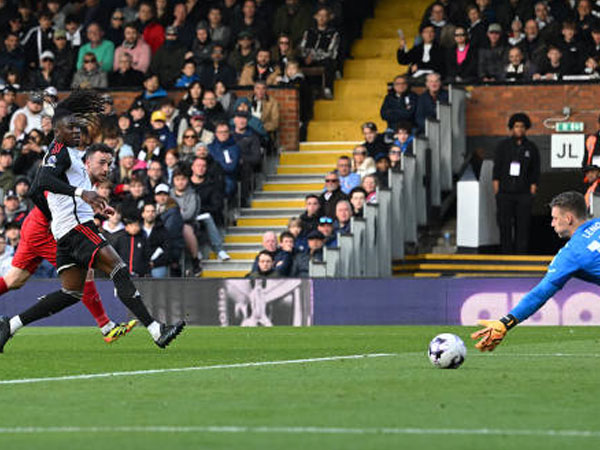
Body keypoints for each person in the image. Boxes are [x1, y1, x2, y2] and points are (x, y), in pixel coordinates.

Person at [0, 91, 185, 352]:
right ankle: (156, 330)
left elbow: (42, 191)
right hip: (74, 230)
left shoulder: (69, 155)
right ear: (57, 129)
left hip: (66, 232)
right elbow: (40, 183)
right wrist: (80, 195)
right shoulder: (61, 152)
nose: (77, 130)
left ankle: (10, 325)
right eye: (70, 126)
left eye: (78, 126)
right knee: (118, 268)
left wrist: (88, 206)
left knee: (71, 293)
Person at [0, 143, 135, 343]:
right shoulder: (72, 174)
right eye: (102, 164)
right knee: (83, 271)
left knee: (14, 280)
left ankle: (106, 326)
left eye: (109, 164)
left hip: (34, 226)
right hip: (43, 229)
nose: (106, 169)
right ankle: (106, 326)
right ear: (87, 163)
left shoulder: (85, 182)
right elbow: (42, 192)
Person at [471, 191, 600, 351]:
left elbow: (539, 294)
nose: (552, 224)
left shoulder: (570, 254)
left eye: (554, 218)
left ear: (568, 219)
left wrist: (505, 323)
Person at [493, 113, 540, 254]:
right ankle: (505, 254)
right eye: (516, 126)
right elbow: (497, 169)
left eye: (522, 127)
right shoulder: (503, 146)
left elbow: (535, 171)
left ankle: (521, 255)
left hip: (524, 193)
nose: (519, 129)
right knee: (504, 225)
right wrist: (497, 191)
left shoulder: (531, 148)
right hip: (505, 193)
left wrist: (532, 190)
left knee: (523, 225)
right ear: (511, 128)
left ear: (526, 129)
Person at [298, 6, 340, 98]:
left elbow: (331, 52)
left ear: (328, 18)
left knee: (330, 62)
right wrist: (306, 56)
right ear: (315, 17)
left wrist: (313, 57)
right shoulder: (309, 32)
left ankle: (327, 89)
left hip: (323, 59)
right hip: (307, 58)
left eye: (324, 16)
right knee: (295, 60)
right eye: (319, 15)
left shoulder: (333, 33)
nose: (321, 18)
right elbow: (302, 47)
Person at [208, 122, 240, 198]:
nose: (223, 134)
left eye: (225, 132)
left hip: (227, 179)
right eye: (220, 132)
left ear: (229, 133)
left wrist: (216, 162)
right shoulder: (210, 147)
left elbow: (231, 168)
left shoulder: (234, 148)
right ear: (216, 134)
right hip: (211, 178)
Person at [140, 201, 170, 278]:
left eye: (153, 211)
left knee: (158, 276)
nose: (150, 214)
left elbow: (167, 251)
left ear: (156, 213)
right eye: (147, 211)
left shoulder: (163, 231)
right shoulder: (137, 231)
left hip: (157, 265)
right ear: (143, 214)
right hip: (139, 265)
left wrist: (154, 263)